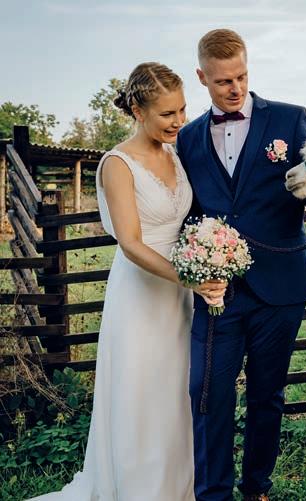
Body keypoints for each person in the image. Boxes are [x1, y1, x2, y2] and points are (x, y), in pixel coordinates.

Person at [28, 62, 226, 501]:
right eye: (167, 114)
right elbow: (131, 243)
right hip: (141, 294)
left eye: (182, 110)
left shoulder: (175, 154)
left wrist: (208, 256)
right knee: (143, 391)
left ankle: (180, 486)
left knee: (178, 390)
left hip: (181, 293)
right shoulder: (117, 164)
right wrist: (190, 278)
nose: (179, 121)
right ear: (138, 111)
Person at [177, 29, 306, 501]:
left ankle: (256, 489)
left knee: (266, 393)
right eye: (222, 81)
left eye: (241, 76)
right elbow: (189, 210)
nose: (235, 88)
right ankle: (213, 494)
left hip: (282, 284)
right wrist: (196, 264)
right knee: (207, 392)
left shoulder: (290, 118)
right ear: (202, 78)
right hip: (218, 288)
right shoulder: (188, 139)